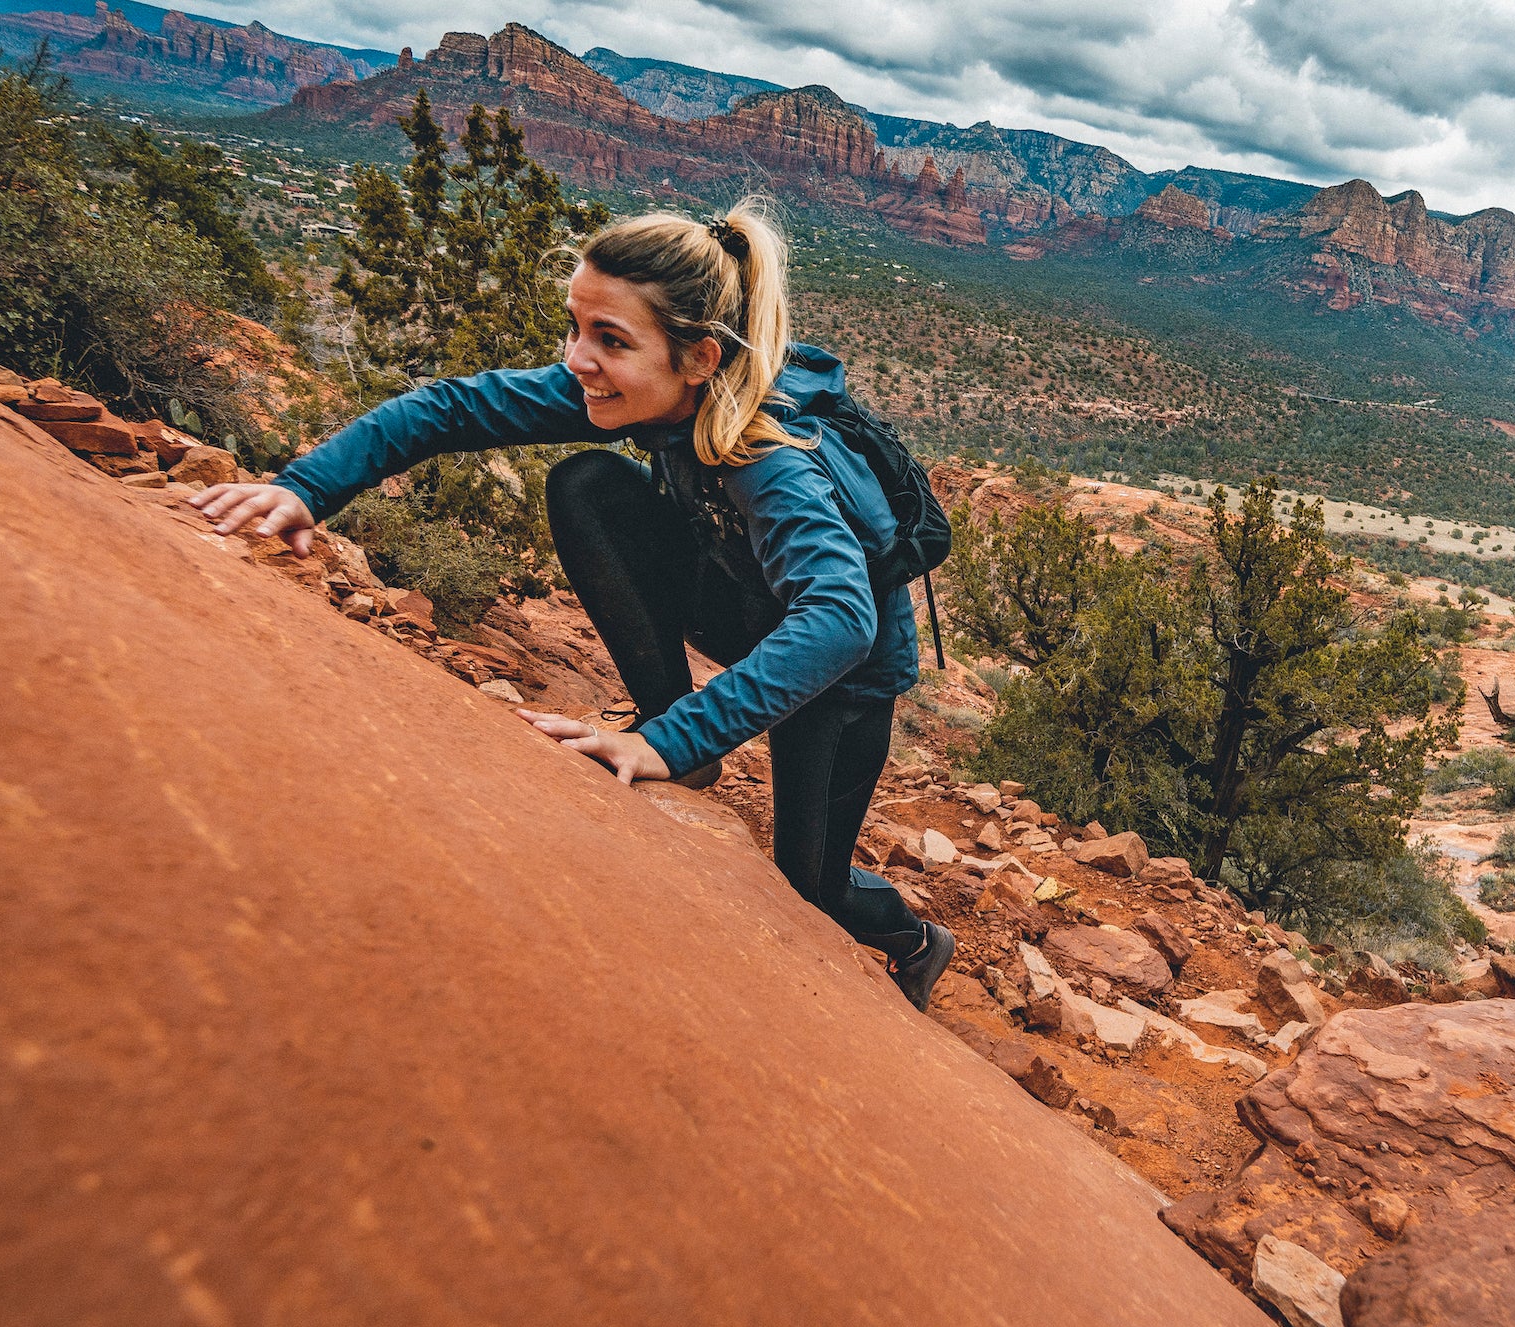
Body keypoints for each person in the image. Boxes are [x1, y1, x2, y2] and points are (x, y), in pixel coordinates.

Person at [186, 199, 957, 1010]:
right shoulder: (635, 389)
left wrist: (664, 742)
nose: (578, 360)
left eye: (611, 341)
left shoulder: (772, 458)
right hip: (745, 595)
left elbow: (838, 619)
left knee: (812, 882)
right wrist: (305, 488)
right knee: (588, 485)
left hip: (843, 675)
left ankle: (914, 940)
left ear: (699, 357)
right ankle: (685, 749)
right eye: (576, 329)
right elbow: (448, 408)